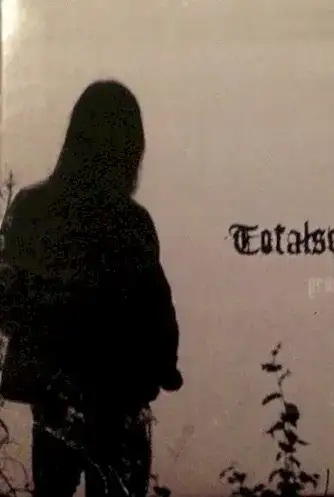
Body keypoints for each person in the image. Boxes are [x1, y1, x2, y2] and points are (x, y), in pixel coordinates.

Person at [0, 80, 183, 497]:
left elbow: (7, 299)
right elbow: (159, 314)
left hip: (53, 405)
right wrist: (163, 371)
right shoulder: (131, 222)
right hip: (119, 408)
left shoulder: (30, 208)